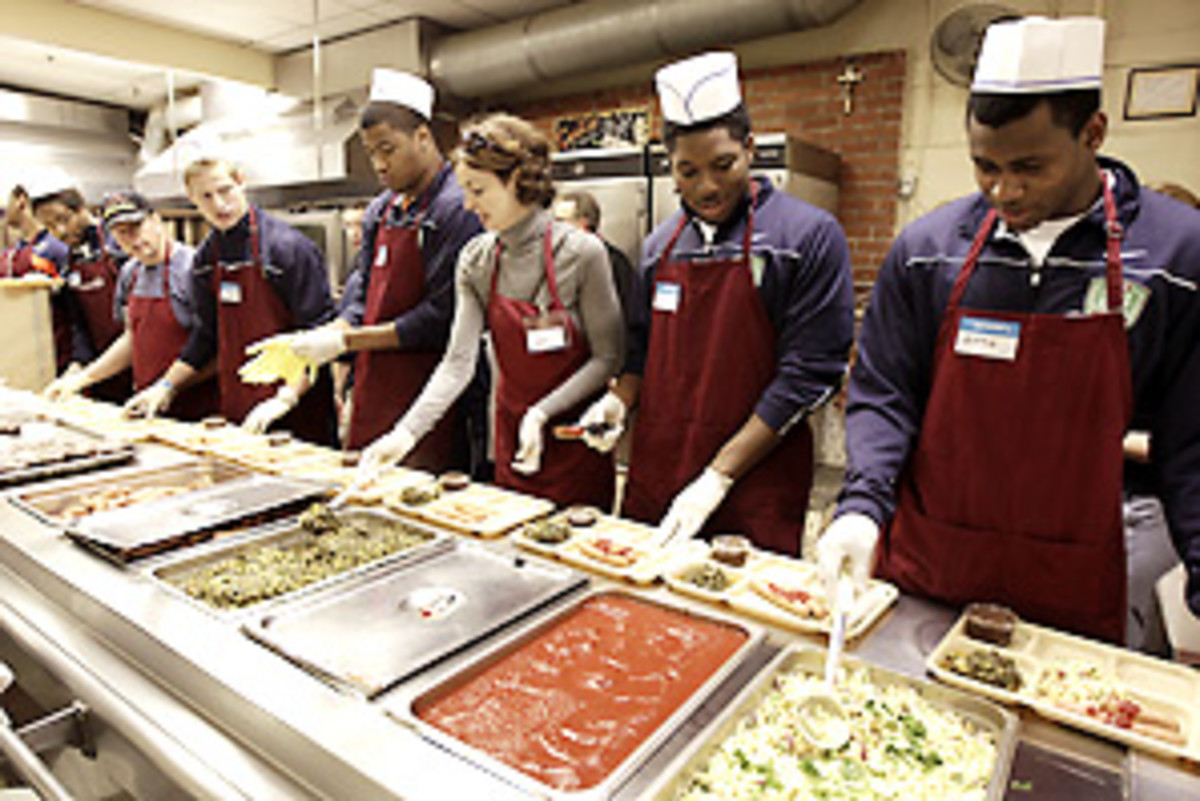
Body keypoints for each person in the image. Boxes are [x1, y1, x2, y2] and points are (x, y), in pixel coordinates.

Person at [818, 17, 1200, 644]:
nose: (1004, 190)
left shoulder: (1175, 258)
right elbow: (885, 393)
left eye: (1029, 165)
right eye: (983, 166)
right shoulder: (927, 252)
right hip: (931, 568)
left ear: (1093, 132)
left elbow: (1192, 445)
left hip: (1070, 581)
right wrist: (862, 506)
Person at [578, 51, 854, 556]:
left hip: (755, 487)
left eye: (722, 165)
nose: (706, 187)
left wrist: (717, 477)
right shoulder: (661, 246)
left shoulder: (807, 237)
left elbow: (809, 375)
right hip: (659, 476)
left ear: (750, 149)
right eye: (687, 171)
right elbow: (640, 352)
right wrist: (619, 401)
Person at [360, 113, 623, 508]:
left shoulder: (582, 253)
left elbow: (608, 357)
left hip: (575, 439)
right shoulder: (477, 260)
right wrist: (406, 434)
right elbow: (457, 364)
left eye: (478, 190)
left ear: (517, 180)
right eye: (465, 190)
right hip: (511, 436)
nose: (468, 204)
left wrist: (542, 413)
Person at [268, 69, 483, 466]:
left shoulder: (456, 208)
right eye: (372, 153)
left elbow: (440, 317)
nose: (380, 164)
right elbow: (361, 290)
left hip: (430, 390)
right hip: (374, 382)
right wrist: (335, 331)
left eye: (388, 148)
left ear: (422, 137)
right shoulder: (380, 210)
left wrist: (349, 343)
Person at [125, 154, 336, 444]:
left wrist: (286, 398)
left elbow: (319, 335)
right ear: (192, 199)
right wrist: (165, 386)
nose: (219, 205)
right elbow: (205, 336)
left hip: (298, 408)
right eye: (206, 197)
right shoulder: (205, 261)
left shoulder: (287, 248)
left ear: (241, 183)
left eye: (225, 191)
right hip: (239, 407)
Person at [44, 192, 217, 419]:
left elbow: (216, 347)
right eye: (121, 232)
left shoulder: (193, 270)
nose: (132, 238)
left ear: (156, 220)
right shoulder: (131, 273)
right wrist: (83, 378)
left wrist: (168, 387)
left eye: (137, 226)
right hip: (150, 408)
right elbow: (131, 338)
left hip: (199, 409)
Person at [35, 187, 131, 402]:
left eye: (63, 219)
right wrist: (77, 365)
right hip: (102, 375)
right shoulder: (71, 261)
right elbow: (79, 323)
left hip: (138, 364)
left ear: (81, 209)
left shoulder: (118, 247)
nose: (59, 231)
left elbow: (140, 325)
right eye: (49, 227)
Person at [5, 180, 72, 373]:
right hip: (17, 356)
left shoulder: (55, 250)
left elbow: (74, 311)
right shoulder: (12, 253)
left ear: (21, 200)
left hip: (54, 359)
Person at [553, 191, 636, 326]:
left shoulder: (615, 263)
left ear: (583, 224)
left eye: (561, 222)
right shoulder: (554, 261)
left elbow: (629, 320)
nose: (554, 229)